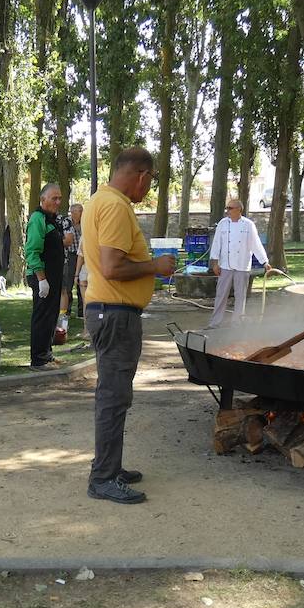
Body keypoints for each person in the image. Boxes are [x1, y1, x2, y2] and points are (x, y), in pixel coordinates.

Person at [82, 148, 178, 504]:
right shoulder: (117, 206)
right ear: (140, 175)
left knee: (115, 395)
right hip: (115, 313)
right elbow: (112, 267)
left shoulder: (99, 201)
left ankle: (110, 466)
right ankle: (103, 478)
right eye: (150, 181)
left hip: (110, 311)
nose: (148, 189)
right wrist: (155, 266)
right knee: (113, 397)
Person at [207, 197, 268, 328]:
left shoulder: (248, 225)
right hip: (225, 265)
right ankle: (215, 322)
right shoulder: (223, 223)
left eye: (230, 208)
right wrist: (215, 262)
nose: (227, 211)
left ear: (239, 209)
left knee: (240, 296)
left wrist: (264, 262)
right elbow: (217, 243)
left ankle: (237, 323)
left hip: (242, 264)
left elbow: (255, 244)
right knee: (221, 295)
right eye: (227, 208)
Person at [25, 182, 65, 369]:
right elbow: (32, 251)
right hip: (43, 276)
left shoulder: (52, 219)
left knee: (51, 315)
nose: (57, 202)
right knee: (42, 315)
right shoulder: (37, 218)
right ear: (42, 200)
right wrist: (42, 279)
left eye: (59, 198)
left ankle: (47, 354)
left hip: (54, 276)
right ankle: (38, 359)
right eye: (53, 198)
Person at [59, 202, 84, 335]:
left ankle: (81, 311)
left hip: (82, 255)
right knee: (68, 285)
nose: (79, 214)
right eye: (77, 211)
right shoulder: (67, 222)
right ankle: (66, 311)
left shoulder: (84, 223)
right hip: (70, 255)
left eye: (80, 211)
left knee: (82, 282)